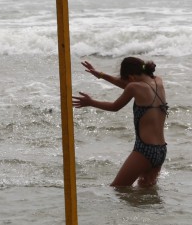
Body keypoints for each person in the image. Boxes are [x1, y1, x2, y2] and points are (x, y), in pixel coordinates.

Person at [72, 57, 169, 187]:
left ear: (131, 77)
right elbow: (128, 85)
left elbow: (115, 106)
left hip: (145, 150)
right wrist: (100, 75)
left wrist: (90, 102)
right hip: (161, 150)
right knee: (145, 195)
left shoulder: (134, 87)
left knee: (118, 189)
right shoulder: (158, 81)